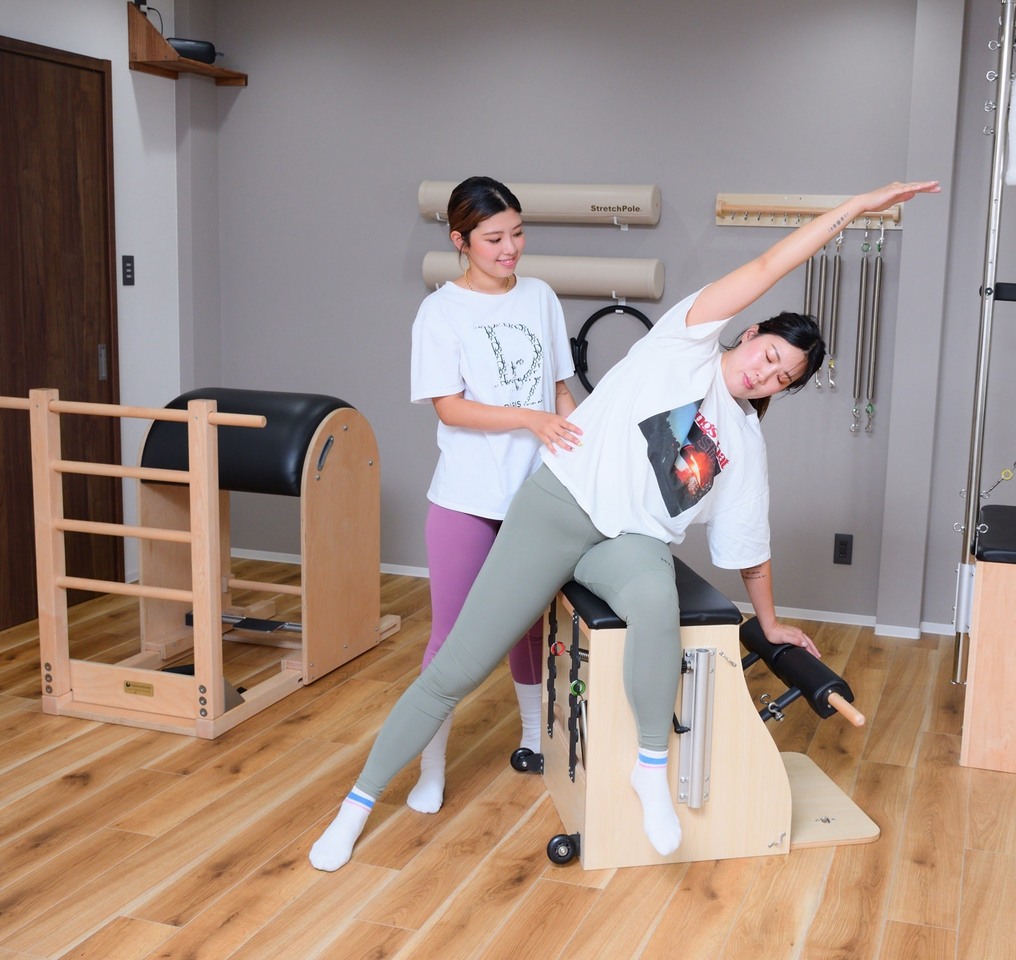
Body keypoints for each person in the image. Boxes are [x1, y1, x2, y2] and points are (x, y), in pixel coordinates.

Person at [310, 179, 940, 871]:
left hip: (631, 542)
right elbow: (767, 267)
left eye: (783, 379)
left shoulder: (743, 442)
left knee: (654, 599)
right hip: (560, 507)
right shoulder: (684, 343)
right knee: (457, 667)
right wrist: (854, 210)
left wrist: (771, 622)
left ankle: (650, 768)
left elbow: (750, 549)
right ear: (748, 334)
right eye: (768, 356)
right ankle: (356, 807)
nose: (767, 375)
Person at [405, 176, 580, 815]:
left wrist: (579, 450)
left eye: (518, 233)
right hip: (467, 498)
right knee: (451, 638)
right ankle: (429, 768)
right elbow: (449, 408)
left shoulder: (540, 297)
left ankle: (534, 738)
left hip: (534, 498)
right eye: (494, 238)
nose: (510, 249)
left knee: (529, 626)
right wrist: (529, 419)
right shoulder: (441, 312)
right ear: (461, 240)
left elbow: (559, 391)